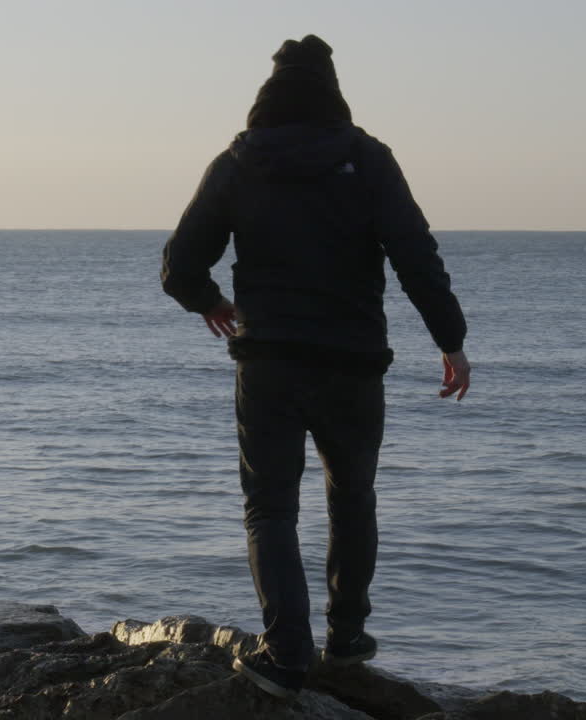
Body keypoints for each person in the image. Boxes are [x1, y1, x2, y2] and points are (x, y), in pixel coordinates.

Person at [160, 34, 471, 699]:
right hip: (353, 364)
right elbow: (416, 256)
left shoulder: (238, 162)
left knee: (270, 509)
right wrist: (450, 340)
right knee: (352, 496)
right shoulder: (369, 159)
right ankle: (348, 636)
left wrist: (209, 301)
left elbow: (179, 263)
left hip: (268, 361)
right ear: (333, 91)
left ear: (267, 92)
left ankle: (286, 655)